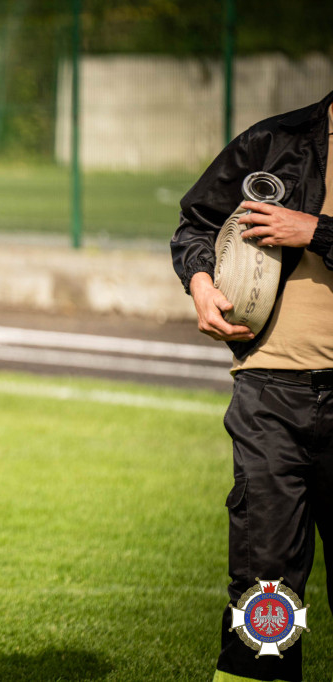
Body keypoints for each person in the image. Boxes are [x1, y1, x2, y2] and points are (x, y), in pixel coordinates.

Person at [171, 89, 333, 682]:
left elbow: (309, 231)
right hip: (270, 394)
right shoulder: (274, 143)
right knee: (265, 591)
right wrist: (199, 280)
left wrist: (316, 231)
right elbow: (195, 224)